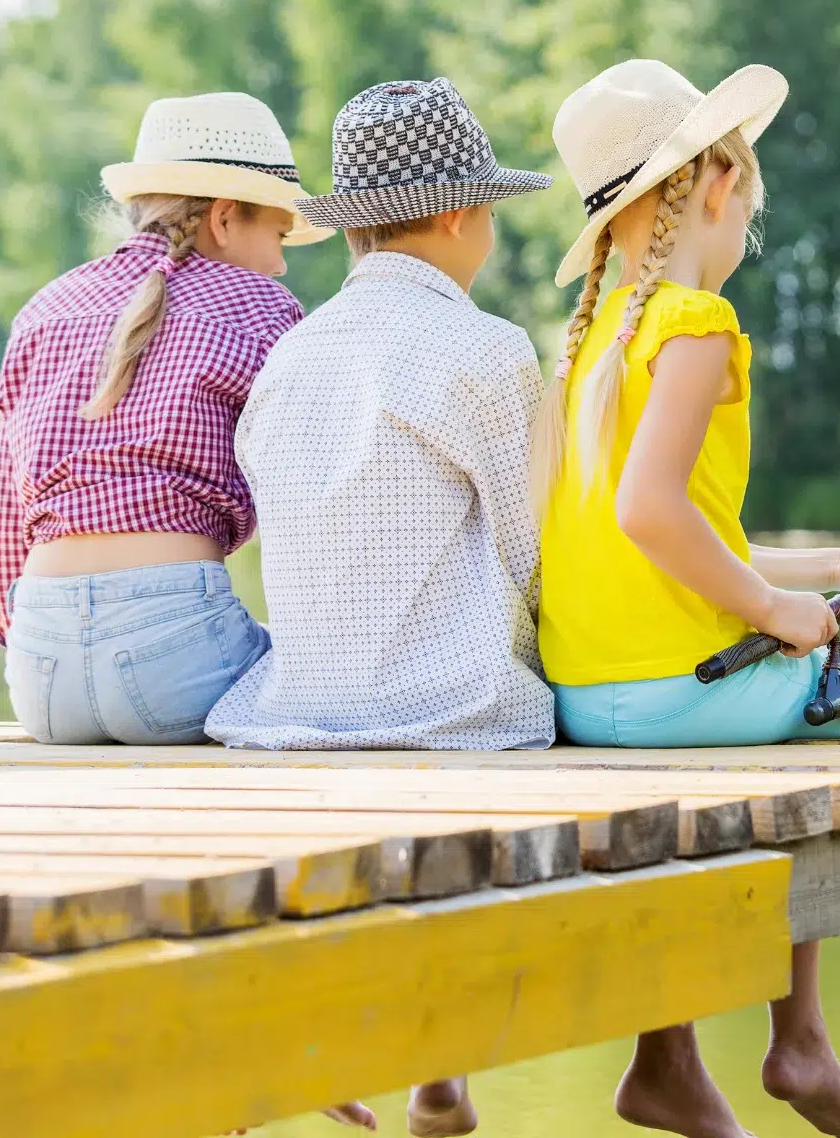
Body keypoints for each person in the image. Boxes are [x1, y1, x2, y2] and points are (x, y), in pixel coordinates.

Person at [538, 59, 840, 1138]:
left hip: (591, 698)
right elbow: (649, 514)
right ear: (718, 180)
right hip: (682, 697)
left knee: (818, 699)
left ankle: (778, 1046)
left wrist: (818, 574)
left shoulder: (589, 347)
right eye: (749, 212)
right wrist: (775, 616)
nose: (743, 236)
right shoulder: (693, 327)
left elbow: (670, 538)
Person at [204, 75, 554, 1137]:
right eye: (489, 207)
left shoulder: (288, 357)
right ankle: (443, 1070)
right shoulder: (489, 350)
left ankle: (417, 1069)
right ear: (460, 214)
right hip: (454, 715)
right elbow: (537, 561)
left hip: (298, 711)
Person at [0, 91, 330, 746]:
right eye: (278, 234)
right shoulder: (262, 306)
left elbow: (5, 536)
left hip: (39, 676)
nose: (283, 261)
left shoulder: (42, 310)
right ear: (225, 218)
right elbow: (309, 512)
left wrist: (35, 650)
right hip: (178, 661)